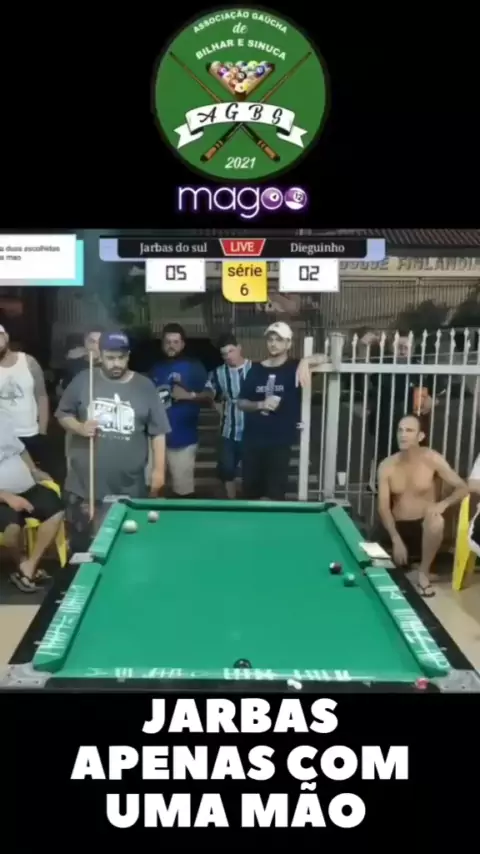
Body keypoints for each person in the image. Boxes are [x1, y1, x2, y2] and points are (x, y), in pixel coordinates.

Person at [56, 331, 170, 551]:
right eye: (110, 358)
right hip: (84, 486)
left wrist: (159, 472)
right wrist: (79, 427)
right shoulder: (84, 380)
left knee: (125, 548)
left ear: (128, 356)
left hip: (128, 486)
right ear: (100, 355)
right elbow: (62, 414)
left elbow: (158, 432)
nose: (116, 363)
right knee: (82, 549)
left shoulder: (144, 386)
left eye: (121, 357)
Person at [377, 414, 468, 597]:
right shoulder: (387, 465)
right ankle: (411, 568)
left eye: (409, 430)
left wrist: (443, 504)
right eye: (400, 430)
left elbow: (463, 487)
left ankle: (423, 573)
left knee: (436, 521)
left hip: (423, 526)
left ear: (420, 436)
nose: (403, 435)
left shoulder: (431, 458)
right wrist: (395, 538)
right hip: (398, 526)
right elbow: (383, 508)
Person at [237, 322, 326, 501]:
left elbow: (326, 358)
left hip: (280, 442)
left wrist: (306, 361)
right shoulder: (256, 369)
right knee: (250, 493)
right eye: (270, 339)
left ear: (288, 343)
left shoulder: (295, 367)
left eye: (279, 340)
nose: (273, 343)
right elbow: (241, 402)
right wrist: (260, 404)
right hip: (253, 440)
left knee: (275, 493)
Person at [0, 411, 64, 593]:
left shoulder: (2, 419)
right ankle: (21, 563)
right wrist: (7, 497)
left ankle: (29, 565)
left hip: (27, 487)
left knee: (55, 509)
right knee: (12, 530)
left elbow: (20, 449)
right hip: (2, 497)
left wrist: (34, 471)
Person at [149, 323, 214, 498]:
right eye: (168, 342)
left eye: (175, 342)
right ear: (162, 344)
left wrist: (189, 395)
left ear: (183, 344)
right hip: (155, 438)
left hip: (183, 439)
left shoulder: (194, 366)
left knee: (183, 492)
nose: (171, 345)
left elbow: (210, 395)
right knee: (153, 488)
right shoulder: (156, 368)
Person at [207, 333, 252, 498]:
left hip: (252, 431)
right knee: (227, 469)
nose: (228, 357)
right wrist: (216, 405)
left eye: (231, 351)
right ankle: (231, 501)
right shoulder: (218, 373)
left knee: (251, 471)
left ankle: (249, 501)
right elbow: (209, 392)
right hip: (228, 430)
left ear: (239, 348)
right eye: (224, 354)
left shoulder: (254, 369)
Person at [0, 324, 50, 467]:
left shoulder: (28, 361)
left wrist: (42, 430)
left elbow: (41, 396)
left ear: (6, 336)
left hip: (31, 433)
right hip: (5, 437)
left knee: (35, 474)